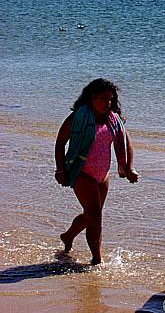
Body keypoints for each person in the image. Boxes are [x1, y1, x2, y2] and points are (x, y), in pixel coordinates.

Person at [54, 78, 139, 264]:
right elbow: (61, 142)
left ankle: (68, 236)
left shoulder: (114, 119)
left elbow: (127, 143)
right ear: (91, 98)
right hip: (81, 171)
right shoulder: (78, 117)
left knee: (90, 214)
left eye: (110, 99)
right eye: (102, 98)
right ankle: (97, 260)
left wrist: (129, 167)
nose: (107, 103)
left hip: (103, 174)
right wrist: (60, 169)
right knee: (96, 216)